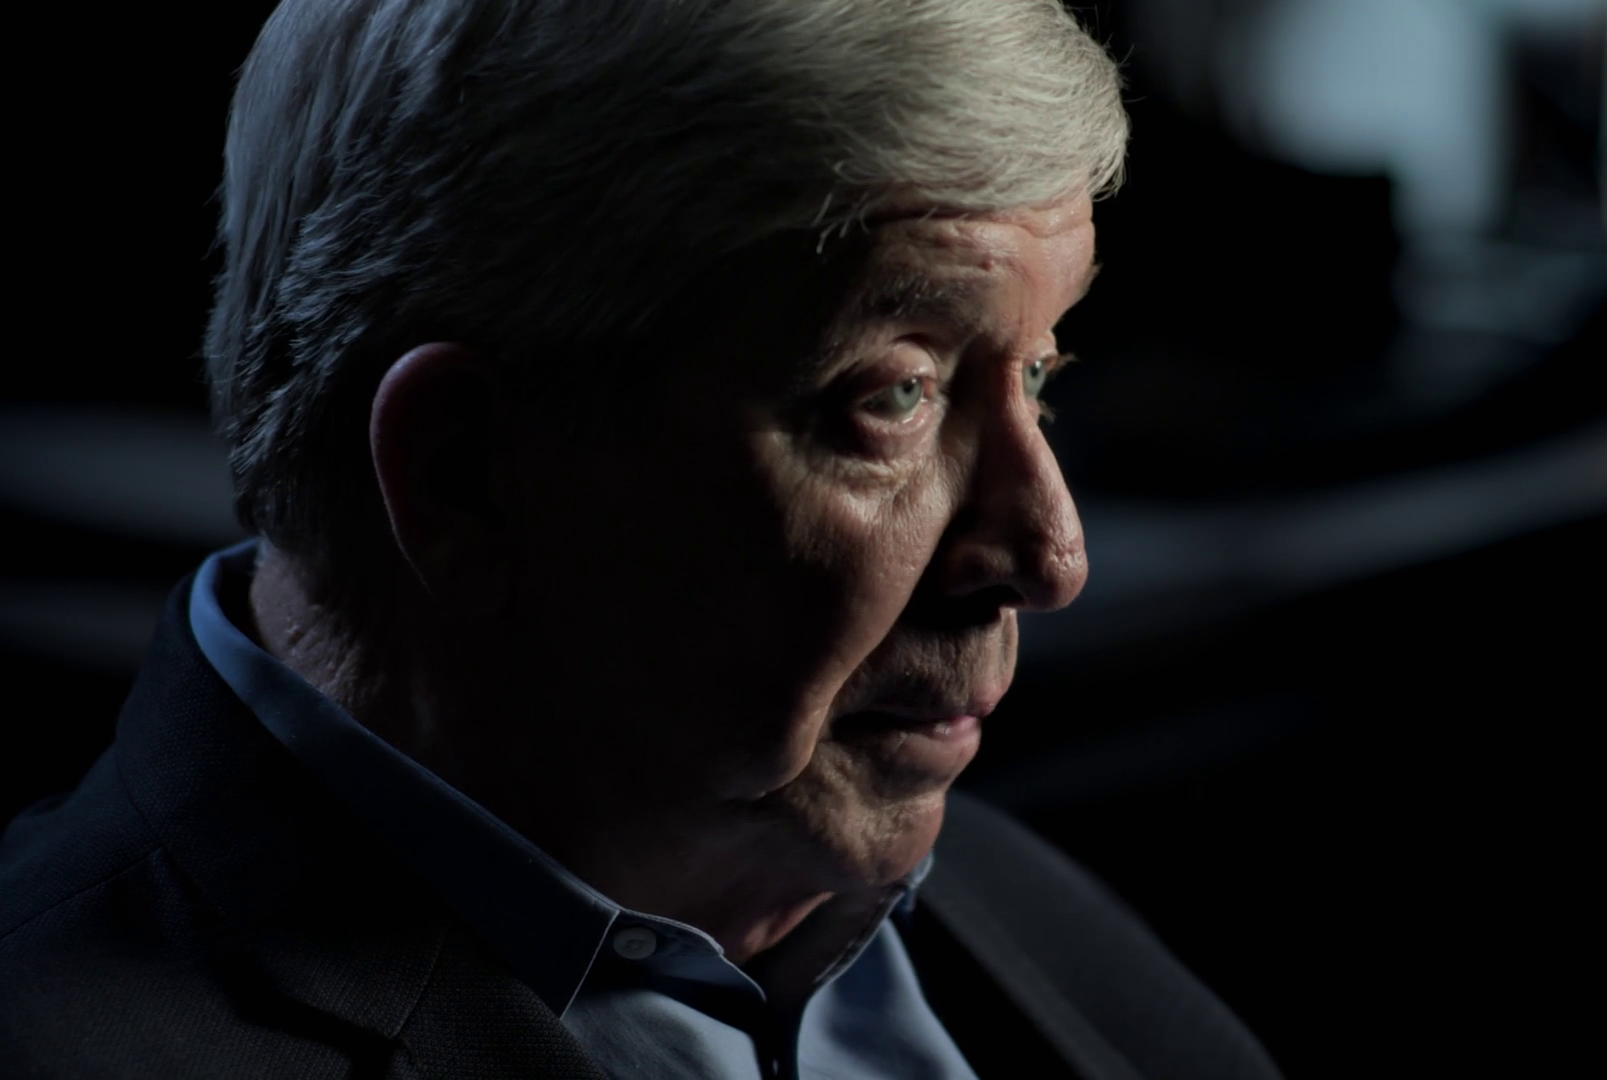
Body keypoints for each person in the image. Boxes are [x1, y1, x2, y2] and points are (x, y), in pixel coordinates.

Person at [0, 1, 1279, 1076]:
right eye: (894, 395)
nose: (1052, 557)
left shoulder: (1030, 915)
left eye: (1038, 374)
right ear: (461, 475)